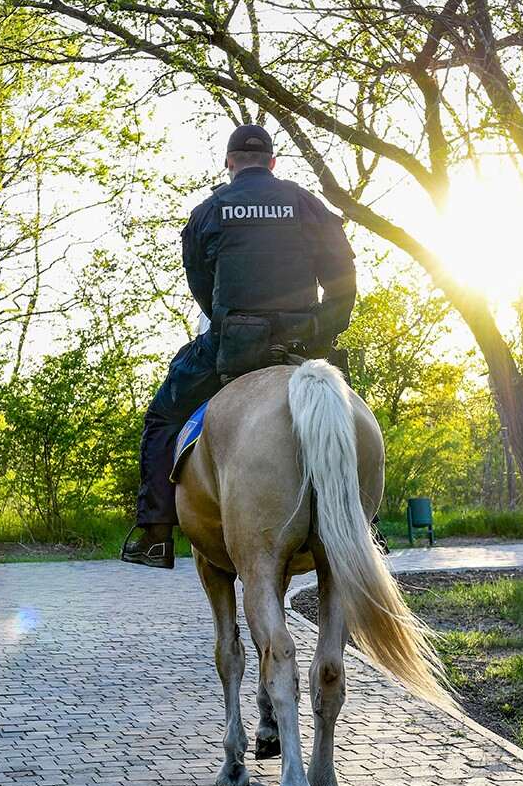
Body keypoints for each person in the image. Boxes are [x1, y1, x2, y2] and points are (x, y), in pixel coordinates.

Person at [121, 124, 357, 569]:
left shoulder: (211, 210)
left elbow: (200, 284)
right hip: (301, 344)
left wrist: (231, 324)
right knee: (346, 411)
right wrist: (322, 331)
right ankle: (369, 520)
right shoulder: (307, 204)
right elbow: (343, 273)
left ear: (229, 163)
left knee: (164, 415)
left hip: (231, 346)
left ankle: (154, 530)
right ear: (272, 162)